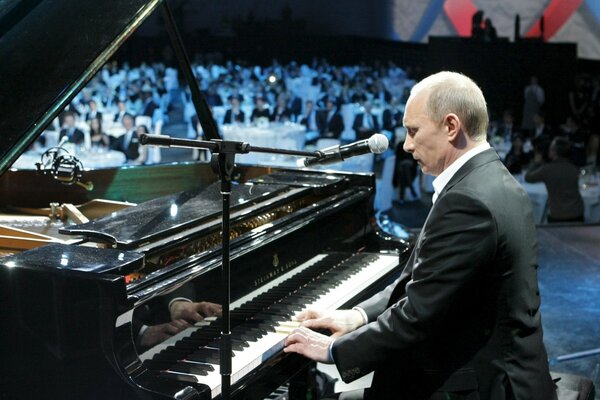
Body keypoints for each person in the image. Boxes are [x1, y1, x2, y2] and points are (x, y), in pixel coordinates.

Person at [284, 71, 557, 399]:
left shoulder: (469, 201)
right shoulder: (490, 179)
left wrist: (332, 350)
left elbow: (417, 315)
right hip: (498, 370)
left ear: (451, 126)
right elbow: (425, 283)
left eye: (413, 131)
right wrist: (357, 316)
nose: (406, 144)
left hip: (483, 386)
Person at [525, 137, 584, 223]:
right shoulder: (574, 168)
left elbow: (528, 177)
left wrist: (536, 162)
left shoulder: (547, 169)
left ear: (554, 152)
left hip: (558, 215)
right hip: (577, 213)